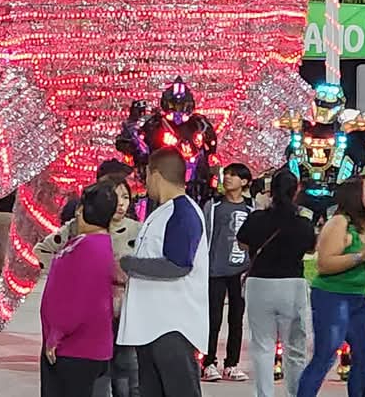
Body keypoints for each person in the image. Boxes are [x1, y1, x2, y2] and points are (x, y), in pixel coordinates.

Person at [35, 173, 140, 397]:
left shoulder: (90, 248)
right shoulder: (90, 243)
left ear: (82, 210)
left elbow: (80, 300)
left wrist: (57, 333)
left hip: (75, 348)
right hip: (78, 346)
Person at [117, 148, 208, 397]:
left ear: (155, 174)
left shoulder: (183, 212)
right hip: (152, 324)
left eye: (146, 175)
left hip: (172, 327)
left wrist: (128, 264)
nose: (145, 182)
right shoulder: (163, 211)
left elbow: (179, 265)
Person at [297, 176, 365, 397]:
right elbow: (324, 264)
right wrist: (360, 256)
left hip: (359, 298)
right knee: (325, 356)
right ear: (355, 196)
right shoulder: (339, 222)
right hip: (332, 297)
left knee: (364, 357)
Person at [237, 168, 316, 397]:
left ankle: (264, 394)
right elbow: (311, 248)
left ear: (270, 191)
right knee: (295, 349)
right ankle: (296, 393)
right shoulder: (303, 222)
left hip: (259, 284)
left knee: (262, 346)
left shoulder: (257, 218)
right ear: (296, 191)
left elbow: (242, 244)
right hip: (292, 285)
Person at [201, 162, 253, 383]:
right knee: (213, 318)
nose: (228, 178)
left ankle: (231, 364)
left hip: (240, 272)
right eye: (227, 174)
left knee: (236, 319)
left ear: (244, 182)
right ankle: (208, 362)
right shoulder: (213, 207)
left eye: (234, 175)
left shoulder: (251, 210)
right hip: (215, 271)